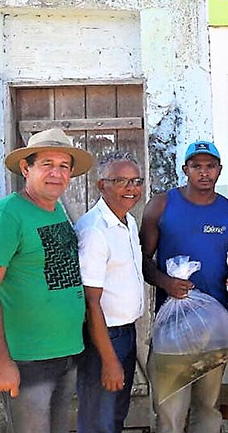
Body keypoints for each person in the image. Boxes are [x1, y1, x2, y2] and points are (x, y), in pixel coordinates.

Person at [0, 128, 93, 433]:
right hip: (26, 360)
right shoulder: (7, 216)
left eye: (63, 166)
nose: (56, 173)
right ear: (26, 168)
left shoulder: (57, 211)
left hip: (66, 353)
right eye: (47, 164)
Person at [140, 140, 228, 433]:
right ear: (185, 169)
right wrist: (165, 282)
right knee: (170, 410)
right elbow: (144, 260)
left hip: (215, 325)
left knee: (208, 406)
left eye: (210, 166)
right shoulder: (161, 205)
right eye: (196, 166)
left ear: (219, 170)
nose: (203, 172)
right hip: (172, 324)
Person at [75, 151, 145, 433]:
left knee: (115, 416)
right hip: (104, 337)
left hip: (125, 332)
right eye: (121, 181)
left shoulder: (128, 222)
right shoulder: (95, 231)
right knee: (98, 421)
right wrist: (108, 360)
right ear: (101, 185)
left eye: (136, 181)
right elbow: (91, 301)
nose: (131, 189)